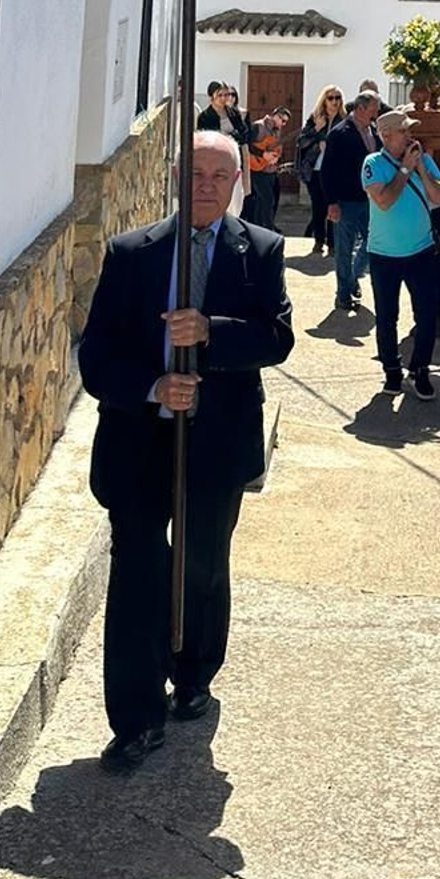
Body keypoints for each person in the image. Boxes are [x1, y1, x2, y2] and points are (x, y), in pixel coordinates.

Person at [77, 130, 293, 771]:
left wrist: (212, 334)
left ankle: (194, 671)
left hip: (218, 443)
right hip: (139, 444)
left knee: (201, 563)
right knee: (139, 571)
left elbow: (276, 337)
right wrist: (151, 388)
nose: (205, 185)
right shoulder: (131, 253)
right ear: (177, 175)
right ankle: (135, 720)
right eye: (195, 172)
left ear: (236, 184)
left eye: (218, 176)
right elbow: (95, 358)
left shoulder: (260, 250)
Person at [362, 108, 440, 399]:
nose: (410, 136)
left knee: (427, 315)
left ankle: (420, 369)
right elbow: (383, 200)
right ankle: (391, 371)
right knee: (387, 316)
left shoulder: (423, 160)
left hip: (420, 251)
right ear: (386, 136)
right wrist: (403, 171)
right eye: (404, 131)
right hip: (384, 254)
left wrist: (420, 169)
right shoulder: (372, 163)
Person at [322, 90, 380, 314]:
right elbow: (328, 170)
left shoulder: (373, 131)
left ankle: (352, 278)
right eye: (373, 109)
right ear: (361, 108)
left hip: (369, 199)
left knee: (372, 241)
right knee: (344, 249)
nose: (376, 113)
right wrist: (332, 202)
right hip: (345, 200)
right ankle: (343, 294)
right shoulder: (340, 133)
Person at [297, 87, 342, 256]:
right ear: (324, 100)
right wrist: (317, 131)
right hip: (315, 169)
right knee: (318, 207)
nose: (335, 101)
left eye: (338, 98)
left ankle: (332, 243)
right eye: (331, 98)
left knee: (334, 205)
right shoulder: (315, 118)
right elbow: (301, 141)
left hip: (335, 171)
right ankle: (318, 241)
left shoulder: (343, 120)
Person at [196, 81, 250, 214]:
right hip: (216, 161)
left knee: (237, 198)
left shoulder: (233, 113)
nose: (224, 98)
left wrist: (229, 136)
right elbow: (207, 137)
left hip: (236, 158)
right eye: (220, 95)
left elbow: (243, 133)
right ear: (211, 97)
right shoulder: (205, 117)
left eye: (226, 95)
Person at [243, 105, 289, 231]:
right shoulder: (258, 126)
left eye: (285, 122)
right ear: (275, 115)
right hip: (257, 169)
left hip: (270, 170)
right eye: (282, 120)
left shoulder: (276, 131)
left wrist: (276, 158)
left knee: (263, 201)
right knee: (267, 199)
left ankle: (259, 227)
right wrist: (263, 154)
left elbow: (275, 150)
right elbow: (248, 145)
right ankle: (268, 228)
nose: (283, 124)